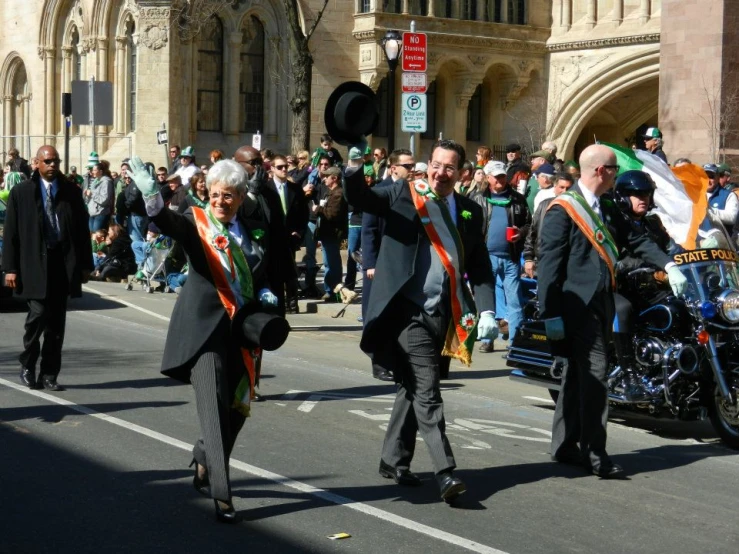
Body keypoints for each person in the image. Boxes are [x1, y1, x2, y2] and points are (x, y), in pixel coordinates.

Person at [129, 155, 286, 523]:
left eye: (229, 195)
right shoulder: (195, 223)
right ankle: (223, 495)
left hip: (243, 334)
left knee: (236, 410)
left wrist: (265, 291)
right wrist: (152, 194)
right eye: (215, 194)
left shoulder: (252, 228)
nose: (221, 201)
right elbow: (165, 222)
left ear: (241, 197)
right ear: (207, 192)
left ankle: (204, 458)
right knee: (214, 412)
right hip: (203, 334)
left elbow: (260, 271)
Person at [345, 139, 498, 503]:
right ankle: (445, 472)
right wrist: (353, 169)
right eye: (436, 164)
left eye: (449, 168)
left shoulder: (469, 212)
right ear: (427, 165)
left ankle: (393, 458)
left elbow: (479, 265)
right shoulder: (403, 192)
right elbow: (362, 200)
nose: (440, 173)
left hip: (444, 315)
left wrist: (489, 309)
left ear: (461, 173)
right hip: (406, 312)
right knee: (428, 392)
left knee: (411, 387)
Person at [537, 144, 687, 478]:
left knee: (578, 376)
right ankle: (596, 455)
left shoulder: (606, 207)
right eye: (614, 169)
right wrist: (550, 314)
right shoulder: (563, 209)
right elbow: (549, 265)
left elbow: (637, 241)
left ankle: (563, 445)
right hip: (575, 308)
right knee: (595, 377)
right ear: (601, 171)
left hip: (602, 302)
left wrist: (669, 264)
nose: (616, 175)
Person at [2, 145, 93, 391]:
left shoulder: (70, 193)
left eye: (56, 161)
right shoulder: (22, 193)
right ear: (37, 163)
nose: (53, 165)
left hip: (61, 264)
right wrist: (9, 268)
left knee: (56, 324)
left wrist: (86, 264)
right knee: (38, 315)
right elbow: (11, 233)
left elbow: (82, 231)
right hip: (33, 263)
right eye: (48, 161)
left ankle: (50, 374)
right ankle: (28, 364)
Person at [611, 170, 675, 401]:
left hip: (651, 289)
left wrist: (688, 257)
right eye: (636, 194)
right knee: (622, 309)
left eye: (646, 194)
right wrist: (645, 266)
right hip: (621, 287)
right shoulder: (615, 223)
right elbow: (616, 259)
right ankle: (630, 376)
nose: (643, 199)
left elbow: (668, 248)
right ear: (622, 197)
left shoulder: (652, 223)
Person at [361, 148, 415, 381]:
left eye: (414, 166)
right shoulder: (379, 192)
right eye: (408, 166)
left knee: (396, 314)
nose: (413, 170)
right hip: (380, 264)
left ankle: (396, 358)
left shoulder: (415, 191)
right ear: (393, 168)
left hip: (402, 265)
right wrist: (370, 264)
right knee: (377, 314)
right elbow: (369, 230)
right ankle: (379, 361)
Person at [470, 160, 531, 352]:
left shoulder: (518, 199)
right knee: (488, 300)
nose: (500, 180)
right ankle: (487, 340)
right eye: (496, 177)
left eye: (502, 176)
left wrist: (520, 233)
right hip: (486, 257)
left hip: (510, 257)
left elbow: (529, 225)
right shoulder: (478, 199)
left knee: (514, 300)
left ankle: (515, 343)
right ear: (488, 178)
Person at [270, 154, 308, 312]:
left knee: (291, 271)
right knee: (274, 273)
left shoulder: (295, 189)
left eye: (285, 166)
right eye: (280, 167)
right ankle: (275, 304)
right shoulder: (266, 189)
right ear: (272, 169)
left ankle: (292, 304)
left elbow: (303, 214)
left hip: (290, 238)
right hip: (272, 239)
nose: (284, 169)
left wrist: (299, 232)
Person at [523, 172, 574, 278]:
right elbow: (532, 232)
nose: (565, 191)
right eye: (561, 187)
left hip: (569, 263)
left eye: (568, 188)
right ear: (555, 187)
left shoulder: (577, 210)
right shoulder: (544, 205)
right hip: (544, 260)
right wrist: (528, 258)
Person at [313, 166, 351, 302]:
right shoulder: (331, 192)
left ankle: (333, 291)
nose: (324, 179)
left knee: (332, 263)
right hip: (327, 233)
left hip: (332, 233)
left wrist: (317, 209)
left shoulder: (338, 194)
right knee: (330, 263)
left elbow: (331, 214)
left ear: (334, 178)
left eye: (326, 176)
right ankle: (332, 290)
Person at [703, 163, 739, 234]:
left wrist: (709, 211)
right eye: (704, 176)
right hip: (696, 241)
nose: (707, 180)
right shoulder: (694, 195)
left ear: (717, 178)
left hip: (719, 242)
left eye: (711, 177)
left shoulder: (729, 195)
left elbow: (732, 218)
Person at [84, 162, 115, 232]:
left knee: (98, 236)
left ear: (100, 171)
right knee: (92, 236)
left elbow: (104, 200)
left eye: (95, 170)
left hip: (100, 213)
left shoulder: (106, 182)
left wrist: (91, 194)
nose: (92, 172)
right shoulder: (95, 181)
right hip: (92, 213)